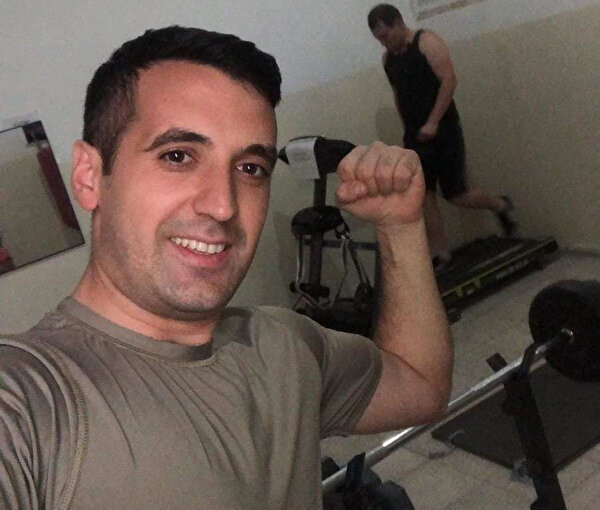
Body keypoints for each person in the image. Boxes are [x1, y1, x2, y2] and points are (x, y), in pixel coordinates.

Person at [0, 26, 452, 509]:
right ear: (90, 176)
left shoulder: (285, 346)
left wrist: (401, 227)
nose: (223, 205)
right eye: (178, 156)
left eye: (250, 168)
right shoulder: (30, 400)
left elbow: (422, 387)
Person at [368, 4, 518, 271]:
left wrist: (434, 122)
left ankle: (501, 204)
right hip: (416, 134)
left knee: (457, 194)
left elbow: (449, 80)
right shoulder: (388, 60)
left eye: (386, 35)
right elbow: (399, 94)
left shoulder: (427, 42)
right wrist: (409, 129)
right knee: (424, 194)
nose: (384, 42)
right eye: (379, 39)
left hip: (445, 128)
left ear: (399, 23)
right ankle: (441, 253)